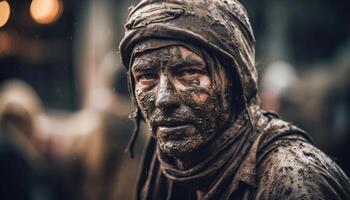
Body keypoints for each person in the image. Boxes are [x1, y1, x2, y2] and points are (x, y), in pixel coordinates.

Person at [119, 0, 350, 199]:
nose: (163, 99)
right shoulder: (164, 167)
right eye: (147, 76)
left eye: (189, 72)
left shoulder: (293, 182)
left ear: (237, 81)